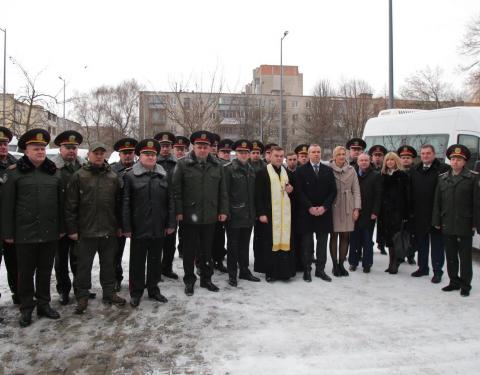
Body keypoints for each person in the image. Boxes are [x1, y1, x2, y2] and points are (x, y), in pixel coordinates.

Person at [2, 129, 62, 327]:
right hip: (24, 234)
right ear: (26, 151)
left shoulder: (53, 172)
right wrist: (8, 233)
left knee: (45, 272)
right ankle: (26, 308)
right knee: (25, 274)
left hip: (49, 232)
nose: (40, 151)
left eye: (43, 148)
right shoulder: (14, 173)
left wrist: (60, 228)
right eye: (35, 148)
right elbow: (7, 206)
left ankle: (44, 304)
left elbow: (61, 205)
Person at [65, 142, 126, 314]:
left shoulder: (112, 177)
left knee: (109, 265)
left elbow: (118, 205)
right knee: (84, 267)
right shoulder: (79, 176)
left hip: (108, 230)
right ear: (89, 155)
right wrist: (72, 229)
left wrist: (119, 226)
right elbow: (70, 206)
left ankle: (109, 292)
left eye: (101, 153)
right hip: (86, 231)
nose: (99, 156)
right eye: (95, 153)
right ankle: (82, 296)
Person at [172, 130, 229, 296]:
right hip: (189, 216)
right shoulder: (183, 164)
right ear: (193, 147)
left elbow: (222, 191)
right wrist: (179, 211)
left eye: (205, 147)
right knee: (189, 251)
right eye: (199, 146)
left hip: (210, 215)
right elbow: (176, 191)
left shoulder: (217, 165)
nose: (202, 149)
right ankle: (189, 280)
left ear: (210, 148)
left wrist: (223, 210)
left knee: (207, 250)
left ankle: (206, 278)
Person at [122, 139, 176, 307]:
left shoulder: (164, 175)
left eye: (153, 154)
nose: (150, 157)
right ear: (139, 156)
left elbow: (170, 201)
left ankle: (153, 289)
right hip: (139, 227)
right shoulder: (130, 176)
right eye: (146, 154)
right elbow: (125, 203)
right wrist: (127, 227)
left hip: (158, 226)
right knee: (137, 261)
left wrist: (170, 223)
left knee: (154, 261)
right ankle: (136, 292)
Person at [432, 144, 477, 297]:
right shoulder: (443, 178)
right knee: (450, 256)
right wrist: (436, 220)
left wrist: (476, 224)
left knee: (464, 258)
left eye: (459, 159)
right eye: (453, 159)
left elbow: (477, 203)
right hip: (447, 222)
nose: (455, 162)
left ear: (464, 162)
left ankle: (466, 284)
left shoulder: (472, 178)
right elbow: (437, 202)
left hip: (465, 223)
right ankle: (454, 281)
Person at [51, 130, 86, 305]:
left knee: (79, 259)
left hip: (80, 222)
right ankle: (64, 290)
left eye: (74, 148)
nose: (71, 151)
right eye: (68, 147)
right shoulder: (52, 168)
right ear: (60, 149)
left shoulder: (83, 166)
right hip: (60, 223)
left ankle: (80, 289)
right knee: (61, 261)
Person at [295, 144, 337, 282]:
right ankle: (307, 270)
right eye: (313, 152)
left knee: (322, 244)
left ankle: (320, 270)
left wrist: (324, 207)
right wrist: (310, 207)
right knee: (307, 244)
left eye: (318, 152)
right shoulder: (300, 171)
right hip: (307, 213)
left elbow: (333, 191)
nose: (316, 154)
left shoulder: (327, 170)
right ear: (308, 154)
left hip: (323, 213)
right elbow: (299, 192)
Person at [409, 144, 450, 283]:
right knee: (422, 243)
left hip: (436, 213)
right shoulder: (415, 169)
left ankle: (437, 271)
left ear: (434, 154)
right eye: (423, 153)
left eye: (428, 153)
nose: (425, 156)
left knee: (437, 244)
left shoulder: (443, 169)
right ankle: (423, 267)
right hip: (420, 213)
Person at [255, 146, 296, 282]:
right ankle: (270, 272)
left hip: (284, 215)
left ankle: (285, 272)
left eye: (281, 156)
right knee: (270, 243)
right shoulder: (262, 172)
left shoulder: (286, 172)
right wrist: (261, 213)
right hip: (269, 214)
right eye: (276, 156)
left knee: (284, 242)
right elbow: (258, 195)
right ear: (270, 156)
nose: (279, 158)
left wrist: (291, 189)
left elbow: (291, 189)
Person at [224, 140, 260, 286]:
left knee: (245, 245)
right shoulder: (228, 169)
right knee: (233, 246)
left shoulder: (251, 169)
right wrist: (226, 212)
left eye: (246, 152)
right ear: (236, 153)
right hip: (234, 215)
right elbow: (224, 193)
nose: (244, 155)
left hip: (248, 214)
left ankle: (244, 270)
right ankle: (232, 274)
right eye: (241, 152)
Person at [329, 146, 361, 277]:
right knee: (334, 235)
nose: (342, 156)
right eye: (339, 154)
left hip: (348, 205)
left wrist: (356, 208)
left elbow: (356, 190)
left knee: (345, 236)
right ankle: (335, 265)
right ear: (334, 156)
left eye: (344, 154)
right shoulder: (328, 169)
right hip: (333, 205)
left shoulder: (351, 170)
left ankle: (342, 264)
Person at [110, 137, 138, 291]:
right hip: (119, 218)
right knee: (116, 253)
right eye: (124, 153)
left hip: (137, 218)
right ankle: (116, 278)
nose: (128, 156)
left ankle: (136, 280)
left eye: (130, 153)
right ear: (119, 154)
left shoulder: (140, 169)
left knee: (137, 253)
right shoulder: (112, 171)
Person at [348, 153, 382, 273]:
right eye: (361, 160)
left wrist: (375, 212)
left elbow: (378, 196)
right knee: (354, 239)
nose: (363, 162)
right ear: (357, 162)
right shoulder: (353, 174)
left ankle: (367, 264)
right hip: (354, 212)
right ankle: (353, 262)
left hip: (368, 213)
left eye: (366, 160)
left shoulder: (375, 175)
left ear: (369, 161)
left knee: (367, 240)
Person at [377, 152, 409, 274]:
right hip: (385, 213)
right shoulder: (383, 175)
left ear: (396, 161)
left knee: (396, 238)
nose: (390, 162)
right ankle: (391, 263)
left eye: (392, 160)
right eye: (388, 160)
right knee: (389, 239)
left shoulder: (402, 176)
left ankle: (395, 263)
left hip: (397, 212)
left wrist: (405, 214)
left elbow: (407, 196)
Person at [154, 131, 179, 280]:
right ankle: (155, 270)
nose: (164, 148)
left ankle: (167, 268)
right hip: (156, 207)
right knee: (156, 242)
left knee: (170, 242)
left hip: (172, 207)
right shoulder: (151, 161)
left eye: (167, 146)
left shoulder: (177, 163)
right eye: (162, 145)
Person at [0, 126, 19, 307]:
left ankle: (18, 294)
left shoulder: (14, 164)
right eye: (0, 144)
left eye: (5, 143)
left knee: (15, 264)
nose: (3, 147)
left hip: (13, 225)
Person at [212, 139, 233, 273]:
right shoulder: (215, 165)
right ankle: (207, 262)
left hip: (227, 206)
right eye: (223, 152)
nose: (226, 154)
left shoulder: (231, 166)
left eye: (228, 152)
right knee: (209, 238)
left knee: (220, 237)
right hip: (213, 206)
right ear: (218, 152)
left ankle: (219, 260)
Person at [172, 135, 190, 258]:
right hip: (169, 202)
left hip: (184, 202)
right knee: (170, 231)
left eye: (182, 149)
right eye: (177, 149)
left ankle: (183, 250)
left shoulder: (188, 164)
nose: (179, 151)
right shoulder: (168, 162)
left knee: (184, 230)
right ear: (173, 149)